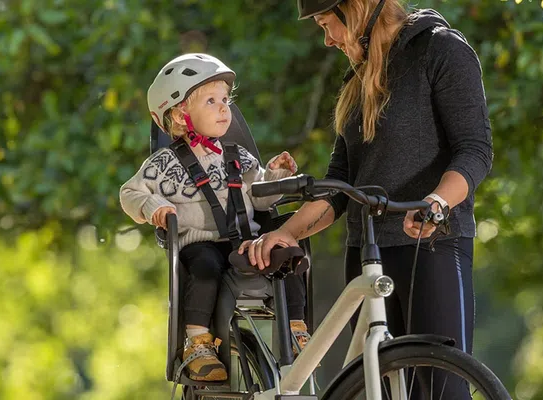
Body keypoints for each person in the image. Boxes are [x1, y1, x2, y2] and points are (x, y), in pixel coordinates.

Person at [241, 1, 493, 397]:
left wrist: (437, 202)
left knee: (443, 390)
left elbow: (475, 151)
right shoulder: (356, 79)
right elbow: (340, 183)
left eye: (328, 25)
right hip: (367, 253)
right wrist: (286, 233)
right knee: (380, 386)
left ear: (357, 9)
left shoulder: (441, 49)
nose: (327, 40)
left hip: (433, 242)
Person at [120, 53, 311, 382]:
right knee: (206, 267)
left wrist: (274, 175)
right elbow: (130, 193)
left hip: (245, 241)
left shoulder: (238, 156)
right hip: (201, 243)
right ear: (181, 116)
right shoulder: (164, 164)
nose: (225, 108)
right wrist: (155, 208)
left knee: (286, 250)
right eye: (211, 101)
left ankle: (296, 327)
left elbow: (260, 197)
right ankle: (197, 342)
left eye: (225, 99)